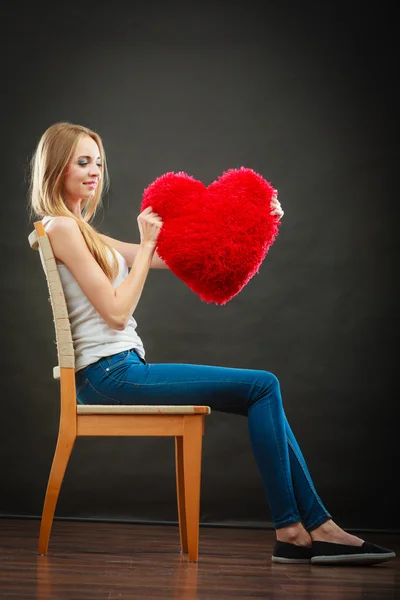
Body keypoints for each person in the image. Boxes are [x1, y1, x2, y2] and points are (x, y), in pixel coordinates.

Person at [28, 121, 395, 566]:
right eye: (83, 161)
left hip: (118, 370)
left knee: (262, 392)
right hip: (109, 375)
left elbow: (179, 259)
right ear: (55, 166)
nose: (95, 172)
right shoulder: (62, 229)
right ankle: (301, 527)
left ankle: (306, 528)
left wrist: (258, 222)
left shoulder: (85, 234)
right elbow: (117, 312)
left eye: (99, 163)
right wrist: (144, 244)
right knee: (263, 386)